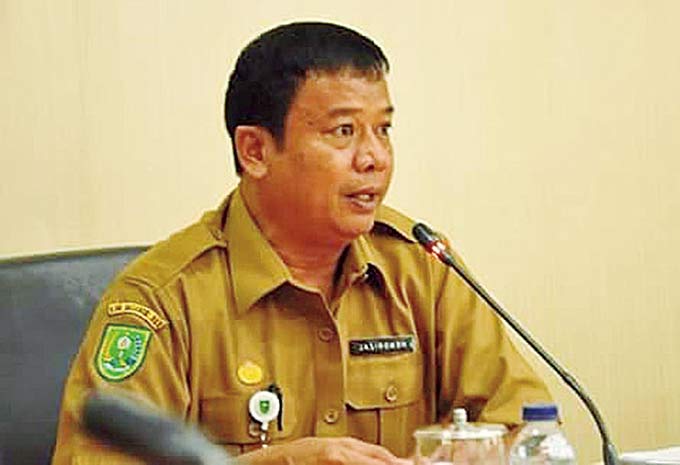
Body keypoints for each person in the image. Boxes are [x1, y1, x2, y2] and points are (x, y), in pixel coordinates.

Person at [51, 21, 551, 465]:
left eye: (383, 129)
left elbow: (528, 430)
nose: (375, 157)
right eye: (344, 131)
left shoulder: (422, 268)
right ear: (255, 150)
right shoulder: (161, 301)